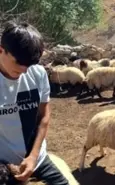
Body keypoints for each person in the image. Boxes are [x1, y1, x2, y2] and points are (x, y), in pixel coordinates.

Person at [0, 21, 69, 184]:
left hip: (36, 157)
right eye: (19, 63)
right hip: (3, 163)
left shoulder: (37, 74)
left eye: (29, 65)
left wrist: (33, 156)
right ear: (1, 50)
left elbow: (44, 116)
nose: (24, 71)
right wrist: (5, 166)